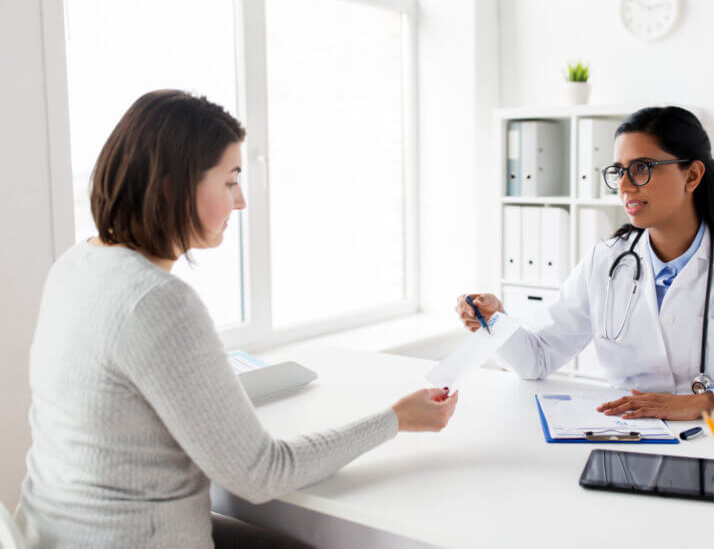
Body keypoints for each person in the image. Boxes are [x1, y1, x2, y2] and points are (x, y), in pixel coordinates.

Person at [16, 90, 458, 548]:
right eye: (230, 181)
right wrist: (397, 418)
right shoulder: (157, 301)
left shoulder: (76, 264)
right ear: (172, 187)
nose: (241, 200)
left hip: (54, 532)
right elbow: (262, 473)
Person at [457, 106, 714, 423]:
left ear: (692, 174)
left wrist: (705, 405)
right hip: (624, 441)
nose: (626, 185)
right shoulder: (605, 263)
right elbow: (539, 359)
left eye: (642, 168)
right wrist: (497, 322)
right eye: (618, 171)